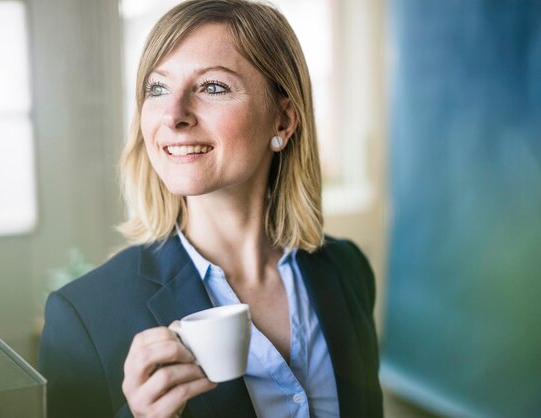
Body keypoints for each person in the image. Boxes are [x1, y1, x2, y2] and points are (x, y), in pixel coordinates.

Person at [38, 0, 383, 417]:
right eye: (158, 88)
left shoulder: (347, 271)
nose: (173, 114)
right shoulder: (83, 316)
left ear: (283, 120)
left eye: (212, 87)